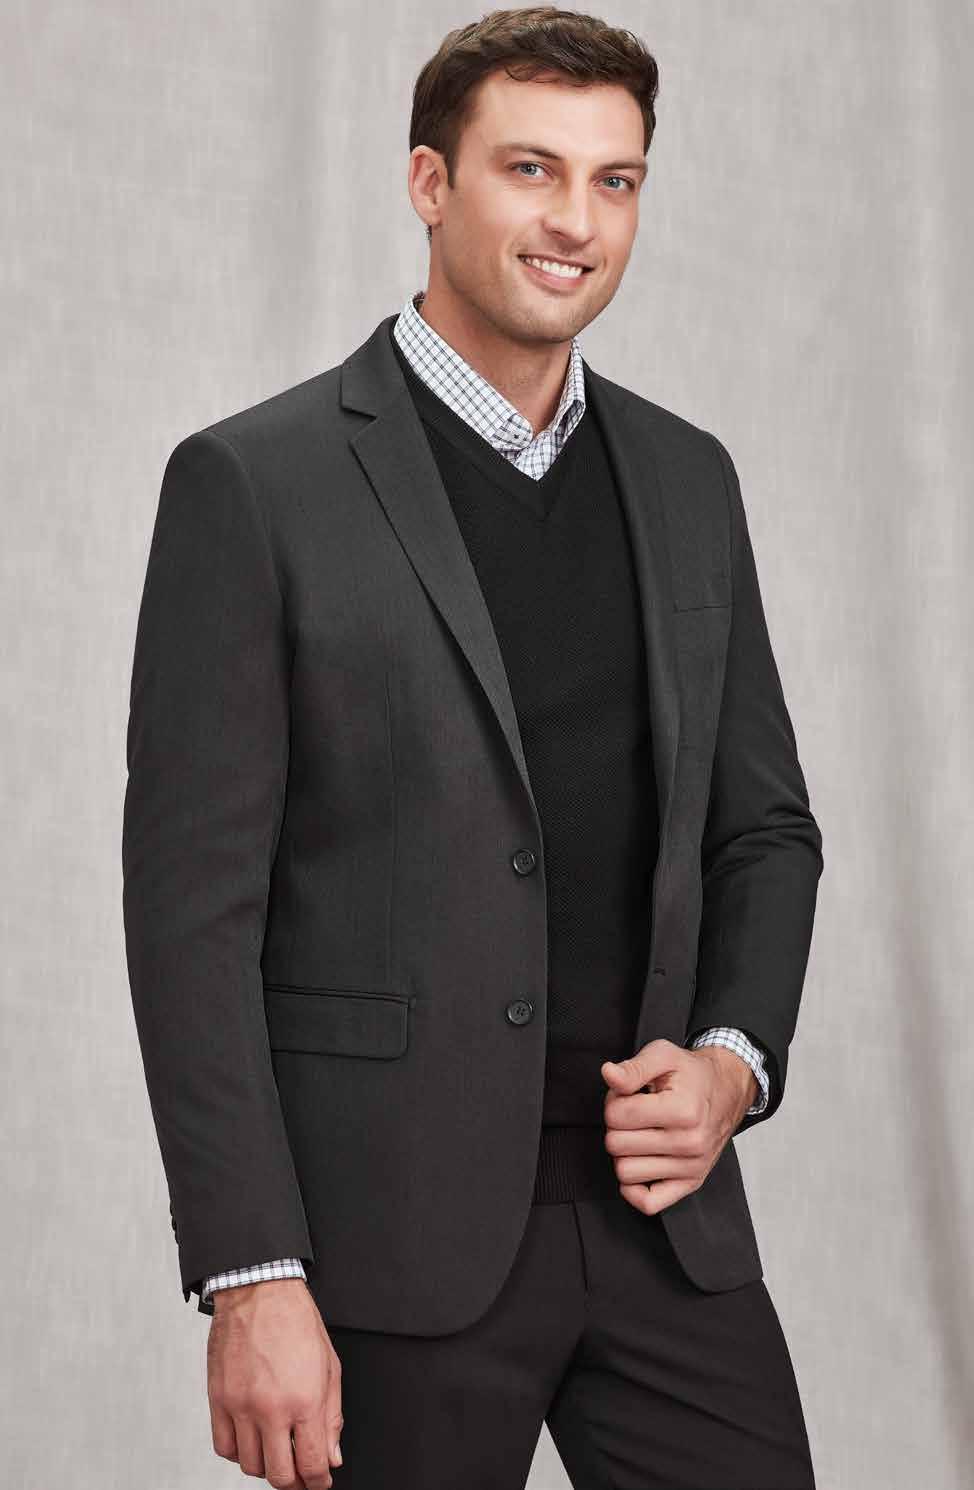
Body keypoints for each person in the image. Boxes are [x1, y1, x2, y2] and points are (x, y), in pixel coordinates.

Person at [122, 8, 823, 1487]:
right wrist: (251, 1271)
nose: (577, 221)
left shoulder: (688, 479)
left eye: (615, 180)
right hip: (387, 1249)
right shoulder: (255, 485)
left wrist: (731, 1063)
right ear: (430, 183)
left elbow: (762, 827)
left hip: (664, 1232)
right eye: (531, 169)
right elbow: (193, 915)